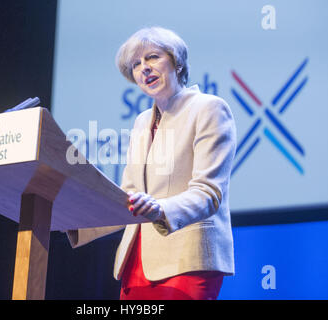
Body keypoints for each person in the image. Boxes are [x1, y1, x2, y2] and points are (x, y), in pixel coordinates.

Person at [67, 26, 237, 300]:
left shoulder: (209, 108)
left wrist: (160, 208)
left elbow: (209, 193)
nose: (144, 68)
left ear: (177, 61)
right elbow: (127, 197)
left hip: (187, 260)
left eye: (153, 57)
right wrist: (71, 219)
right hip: (136, 263)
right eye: (136, 64)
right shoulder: (141, 122)